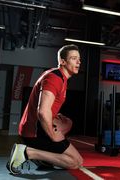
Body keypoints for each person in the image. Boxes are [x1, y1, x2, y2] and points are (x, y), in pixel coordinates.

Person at [7, 44, 83, 174]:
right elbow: (42, 111)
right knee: (76, 162)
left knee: (67, 122)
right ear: (62, 61)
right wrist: (52, 135)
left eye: (79, 59)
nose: (78, 62)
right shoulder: (55, 78)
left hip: (34, 128)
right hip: (35, 132)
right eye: (73, 58)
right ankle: (27, 152)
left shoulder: (60, 77)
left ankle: (43, 159)